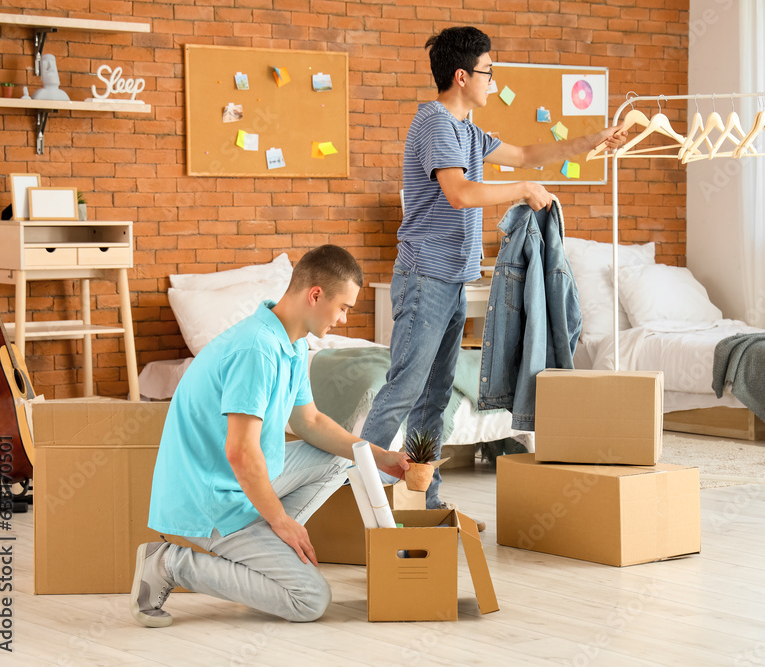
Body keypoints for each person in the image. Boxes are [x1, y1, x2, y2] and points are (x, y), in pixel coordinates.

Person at [360, 26, 627, 513]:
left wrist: (593, 139)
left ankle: (427, 505)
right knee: (404, 390)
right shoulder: (436, 124)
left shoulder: (466, 130)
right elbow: (459, 192)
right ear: (461, 76)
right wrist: (524, 188)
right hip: (425, 278)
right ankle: (356, 502)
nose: (491, 79)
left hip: (452, 280)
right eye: (487, 71)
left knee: (433, 400)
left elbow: (526, 155)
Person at [131, 245, 410, 627]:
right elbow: (240, 453)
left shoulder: (291, 343)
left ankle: (263, 550)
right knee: (309, 599)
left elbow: (309, 422)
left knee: (343, 455)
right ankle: (168, 563)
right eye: (344, 307)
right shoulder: (257, 350)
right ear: (315, 295)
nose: (345, 319)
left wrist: (379, 456)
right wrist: (281, 520)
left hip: (242, 483)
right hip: (212, 498)